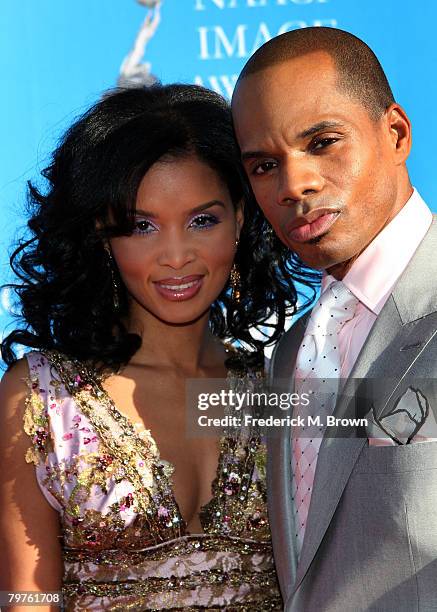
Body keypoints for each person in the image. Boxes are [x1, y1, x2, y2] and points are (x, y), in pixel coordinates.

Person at [0, 84, 318, 610]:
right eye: (142, 226)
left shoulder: (277, 388)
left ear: (240, 217)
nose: (175, 256)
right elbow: (25, 599)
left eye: (202, 220)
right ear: (101, 234)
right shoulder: (40, 397)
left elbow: (404, 437)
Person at [231, 27, 437, 611]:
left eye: (323, 142)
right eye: (265, 165)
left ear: (395, 133)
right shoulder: (292, 351)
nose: (295, 185)